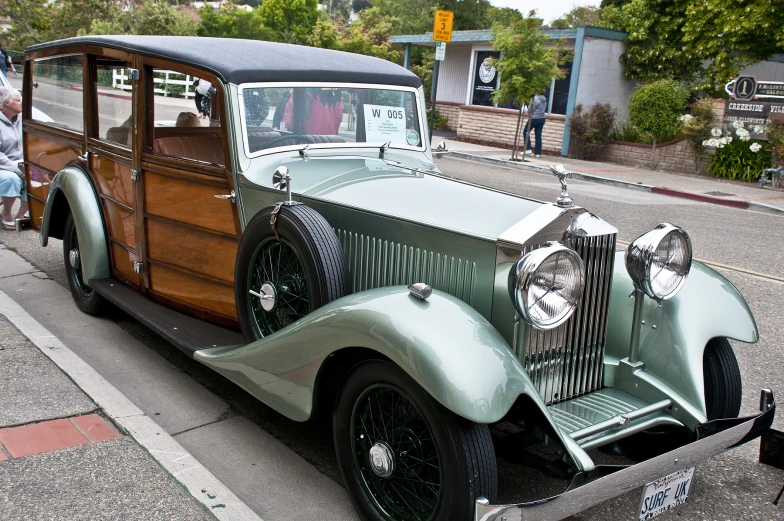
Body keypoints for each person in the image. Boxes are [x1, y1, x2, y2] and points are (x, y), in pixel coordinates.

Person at [0, 86, 27, 229]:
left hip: (21, 164)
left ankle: (21, 215)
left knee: (37, 176)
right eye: (18, 100)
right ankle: (6, 213)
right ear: (7, 103)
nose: (21, 102)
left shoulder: (23, 118)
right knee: (11, 179)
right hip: (4, 166)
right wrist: (17, 168)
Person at [522, 89, 547, 157]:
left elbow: (530, 110)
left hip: (534, 118)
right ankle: (537, 153)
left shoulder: (535, 99)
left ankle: (528, 149)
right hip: (542, 118)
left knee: (525, 132)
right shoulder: (544, 99)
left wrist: (525, 108)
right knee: (538, 135)